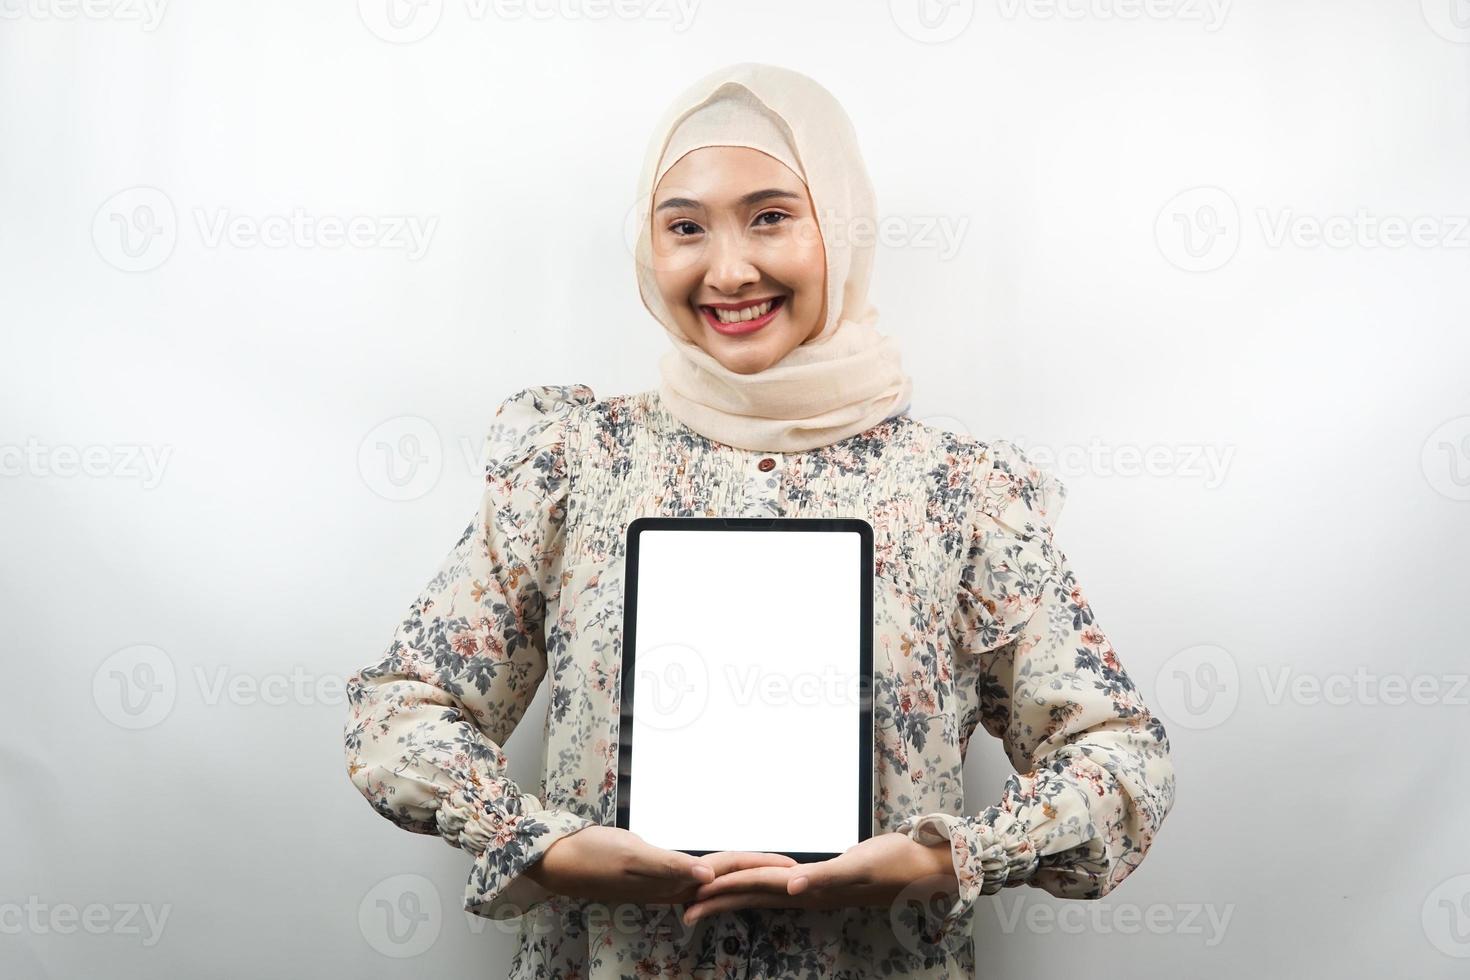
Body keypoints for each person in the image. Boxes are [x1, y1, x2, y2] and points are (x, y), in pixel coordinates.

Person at [342, 62, 1176, 979]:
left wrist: (943, 859)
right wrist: (542, 846)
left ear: (841, 226)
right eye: (685, 227)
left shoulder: (960, 491)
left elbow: (1121, 760)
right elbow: (396, 710)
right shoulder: (574, 468)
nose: (728, 268)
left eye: (772, 216)